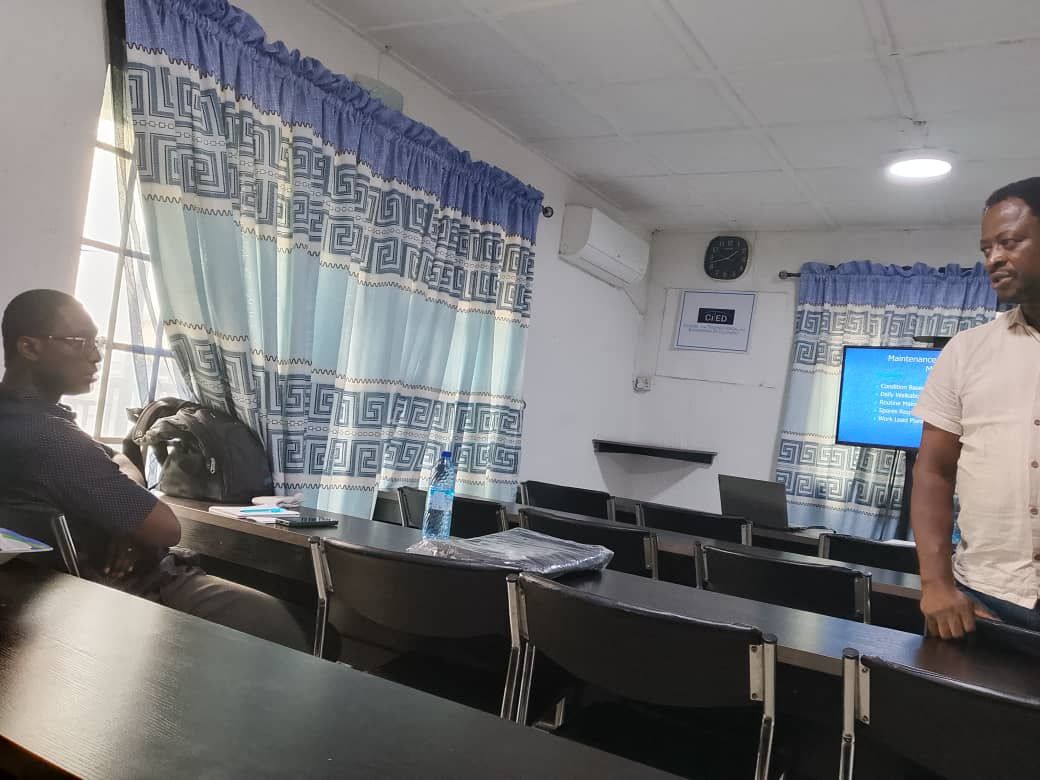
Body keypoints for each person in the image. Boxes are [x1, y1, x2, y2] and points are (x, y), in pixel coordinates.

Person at [0, 289, 310, 651]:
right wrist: (133, 523)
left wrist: (124, 520)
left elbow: (119, 460)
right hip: (135, 594)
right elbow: (167, 528)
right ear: (29, 347)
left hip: (45, 596)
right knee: (309, 628)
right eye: (78, 342)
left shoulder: (24, 422)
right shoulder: (55, 440)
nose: (95, 355)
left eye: (96, 342)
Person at [912, 176, 1040, 638]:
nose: (993, 259)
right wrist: (935, 584)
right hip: (980, 602)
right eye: (987, 248)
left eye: (1009, 242)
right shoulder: (967, 350)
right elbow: (933, 471)